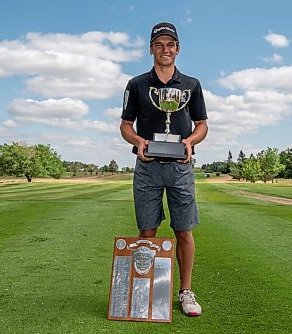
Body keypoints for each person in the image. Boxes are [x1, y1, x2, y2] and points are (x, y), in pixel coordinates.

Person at [120, 22, 208, 317]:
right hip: (147, 166)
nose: (165, 49)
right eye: (159, 44)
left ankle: (185, 292)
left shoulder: (191, 85)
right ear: (151, 49)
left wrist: (190, 143)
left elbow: (202, 125)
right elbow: (125, 126)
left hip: (180, 167)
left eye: (170, 44)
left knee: (183, 229)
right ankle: (145, 291)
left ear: (178, 49)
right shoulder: (136, 84)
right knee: (147, 230)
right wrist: (139, 142)